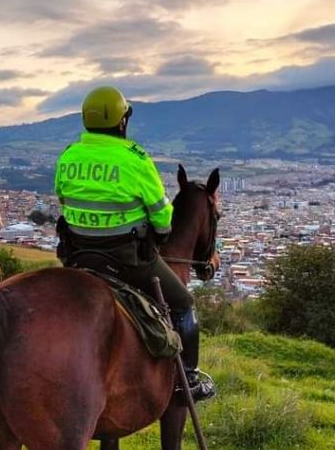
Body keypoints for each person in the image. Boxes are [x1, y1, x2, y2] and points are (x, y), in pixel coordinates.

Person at [55, 85, 216, 402]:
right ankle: (188, 380)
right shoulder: (137, 159)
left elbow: (63, 199)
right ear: (121, 122)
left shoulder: (68, 156)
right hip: (128, 258)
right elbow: (163, 219)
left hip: (77, 256)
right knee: (183, 303)